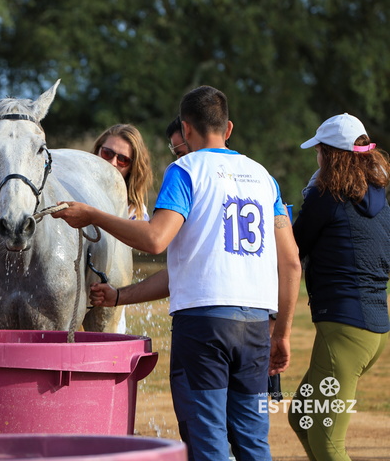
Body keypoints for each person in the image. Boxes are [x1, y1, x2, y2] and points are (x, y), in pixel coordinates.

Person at [53, 85, 301, 461]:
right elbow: (291, 262)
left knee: (208, 441)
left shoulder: (185, 170)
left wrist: (92, 215)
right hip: (255, 325)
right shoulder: (264, 177)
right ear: (228, 128)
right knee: (252, 440)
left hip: (203, 326)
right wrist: (281, 332)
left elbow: (155, 240)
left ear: (185, 129)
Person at [289, 113, 390, 461]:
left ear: (329, 154)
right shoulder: (379, 200)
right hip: (373, 331)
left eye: (318, 150)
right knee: (301, 417)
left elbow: (293, 249)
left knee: (327, 443)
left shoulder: (325, 196)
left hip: (345, 332)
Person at [92, 124, 153, 220]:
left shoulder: (135, 215)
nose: (113, 163)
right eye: (107, 153)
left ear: (132, 168)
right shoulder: (74, 186)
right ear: (97, 152)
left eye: (123, 160)